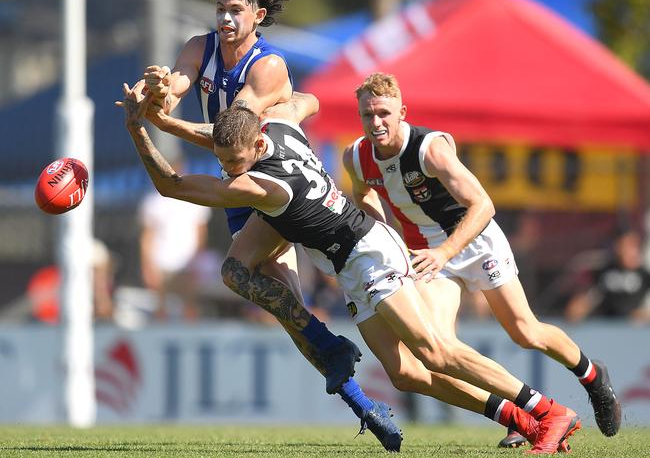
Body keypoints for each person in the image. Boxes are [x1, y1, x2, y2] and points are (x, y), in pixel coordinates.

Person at [120, 81, 582, 454]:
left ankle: (549, 411)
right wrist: (172, 120)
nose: (227, 172)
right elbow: (306, 100)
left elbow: (172, 185)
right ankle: (518, 418)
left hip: (367, 252)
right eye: (222, 163)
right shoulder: (278, 123)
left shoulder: (261, 186)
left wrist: (139, 128)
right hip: (350, 261)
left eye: (233, 163)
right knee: (406, 374)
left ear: (258, 144)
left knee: (436, 351)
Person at [138, 0, 400, 449]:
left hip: (279, 185)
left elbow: (230, 133)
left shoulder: (268, 67)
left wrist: (159, 121)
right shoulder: (201, 46)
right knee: (293, 316)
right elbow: (178, 83)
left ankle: (345, 357)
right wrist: (158, 90)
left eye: (234, 11)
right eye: (219, 9)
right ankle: (364, 404)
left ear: (258, 16)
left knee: (244, 278)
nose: (224, 18)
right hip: (241, 187)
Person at [342, 72, 620, 447]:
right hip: (426, 255)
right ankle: (523, 414)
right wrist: (385, 232)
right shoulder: (356, 157)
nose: (376, 123)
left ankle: (592, 377)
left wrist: (445, 252)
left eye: (384, 114)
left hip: (473, 240)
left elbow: (483, 206)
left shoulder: (430, 149)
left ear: (402, 112)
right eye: (367, 115)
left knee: (525, 331)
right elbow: (364, 194)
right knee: (437, 350)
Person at [138, 157, 212, 321]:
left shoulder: (195, 198)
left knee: (190, 306)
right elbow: (147, 237)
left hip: (187, 263)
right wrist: (148, 266)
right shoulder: (153, 201)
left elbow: (201, 232)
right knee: (160, 308)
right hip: (161, 263)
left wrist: (197, 261)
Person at [565, 227, 650, 324]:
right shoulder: (605, 271)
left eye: (632, 246)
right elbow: (591, 297)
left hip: (634, 328)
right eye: (624, 245)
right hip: (607, 325)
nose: (629, 251)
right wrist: (579, 308)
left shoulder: (644, 275)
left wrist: (643, 315)